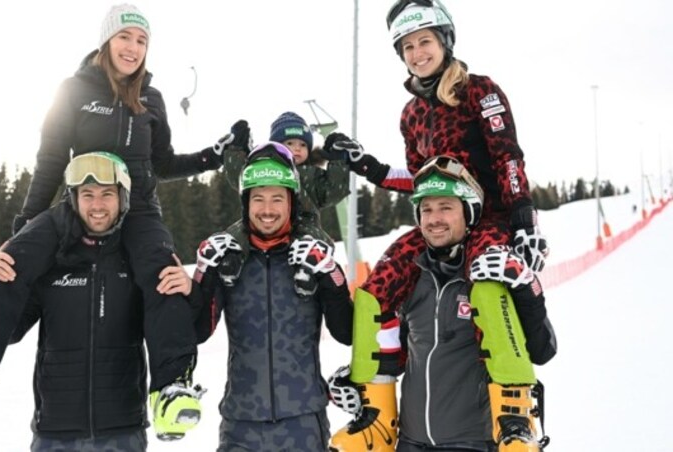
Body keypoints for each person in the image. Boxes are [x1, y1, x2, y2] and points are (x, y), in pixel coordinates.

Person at [321, 0, 550, 402]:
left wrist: (523, 222)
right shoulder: (411, 114)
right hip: (438, 223)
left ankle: (514, 409)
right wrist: (366, 164)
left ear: (445, 41)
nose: (417, 54)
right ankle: (374, 404)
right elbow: (420, 181)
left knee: (487, 280)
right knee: (376, 289)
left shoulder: (479, 90)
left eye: (424, 42)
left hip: (489, 219)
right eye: (407, 47)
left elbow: (507, 156)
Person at [0, 153, 205, 451]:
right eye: (87, 195)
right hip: (54, 432)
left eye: (107, 194)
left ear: (123, 198)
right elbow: (8, 328)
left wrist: (191, 293)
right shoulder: (50, 264)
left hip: (122, 431)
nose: (97, 205)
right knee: (9, 269)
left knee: (166, 282)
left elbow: (176, 327)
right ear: (73, 199)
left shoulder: (138, 262)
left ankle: (170, 391)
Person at [12, 4, 238, 389]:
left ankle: (172, 387)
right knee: (12, 265)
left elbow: (162, 163)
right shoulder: (73, 90)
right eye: (125, 37)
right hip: (85, 209)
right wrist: (27, 223)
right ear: (106, 41)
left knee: (164, 275)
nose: (133, 48)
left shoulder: (152, 98)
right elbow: (51, 161)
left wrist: (212, 157)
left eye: (141, 41)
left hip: (140, 213)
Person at [328, 157, 557, 452]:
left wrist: (527, 284)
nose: (434, 218)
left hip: (474, 442)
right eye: (426, 209)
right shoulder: (410, 280)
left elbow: (543, 349)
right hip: (410, 442)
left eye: (446, 207)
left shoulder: (492, 276)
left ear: (468, 212)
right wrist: (354, 378)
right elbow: (394, 357)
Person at [190, 142, 354, 451]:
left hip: (303, 423)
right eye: (258, 198)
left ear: (291, 202)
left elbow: (345, 332)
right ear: (246, 203)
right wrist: (203, 272)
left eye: (277, 198)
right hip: (242, 426)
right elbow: (197, 331)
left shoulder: (309, 259)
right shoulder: (230, 261)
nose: (267, 210)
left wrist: (331, 272)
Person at [220, 112, 351, 295]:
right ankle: (231, 260)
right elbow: (239, 176)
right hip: (266, 217)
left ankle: (306, 271)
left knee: (314, 240)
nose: (296, 149)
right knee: (240, 230)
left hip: (304, 220)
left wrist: (338, 161)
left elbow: (333, 191)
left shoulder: (310, 174)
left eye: (302, 144)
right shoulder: (264, 169)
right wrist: (236, 149)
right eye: (289, 143)